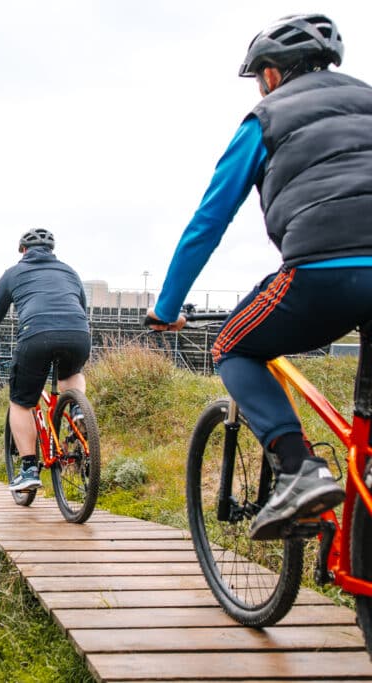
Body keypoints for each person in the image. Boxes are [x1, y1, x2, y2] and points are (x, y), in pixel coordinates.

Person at [146, 14, 372, 540]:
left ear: (271, 73)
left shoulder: (265, 118)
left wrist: (167, 306)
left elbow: (208, 222)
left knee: (232, 345)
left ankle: (298, 469)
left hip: (324, 271)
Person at [0, 228, 90, 491]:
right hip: (78, 333)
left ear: (22, 250)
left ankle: (28, 469)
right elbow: (82, 307)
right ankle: (78, 409)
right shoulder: (70, 271)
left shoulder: (13, 273)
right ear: (52, 251)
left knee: (21, 402)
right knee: (72, 373)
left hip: (36, 336)